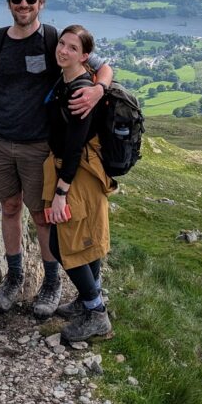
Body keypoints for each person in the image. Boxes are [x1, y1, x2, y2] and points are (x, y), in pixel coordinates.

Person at [0, 0, 112, 317]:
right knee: (9, 207)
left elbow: (103, 66)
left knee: (42, 216)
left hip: (38, 146)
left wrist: (98, 90)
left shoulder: (53, 40)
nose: (23, 4)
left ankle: (51, 283)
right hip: (0, 139)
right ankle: (14, 277)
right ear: (9, 3)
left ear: (41, 2)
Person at [44, 24, 115, 341]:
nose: (63, 50)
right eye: (62, 44)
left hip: (77, 174)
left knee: (64, 245)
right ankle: (88, 302)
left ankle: (96, 313)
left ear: (85, 55)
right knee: (84, 240)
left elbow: (74, 147)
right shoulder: (70, 77)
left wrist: (61, 192)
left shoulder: (79, 92)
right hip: (77, 171)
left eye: (72, 48)